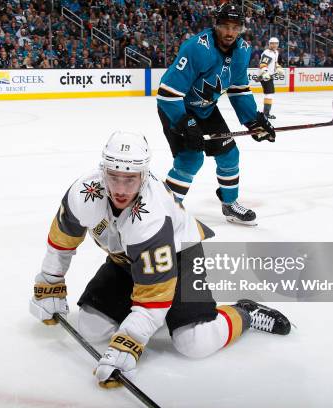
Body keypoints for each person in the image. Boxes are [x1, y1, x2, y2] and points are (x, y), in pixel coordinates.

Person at [29, 131, 291, 387]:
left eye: (130, 179)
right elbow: (62, 240)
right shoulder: (83, 192)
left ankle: (245, 311)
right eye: (114, 177)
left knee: (195, 343)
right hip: (126, 261)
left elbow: (154, 296)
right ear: (103, 171)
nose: (120, 189)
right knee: (90, 328)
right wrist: (50, 279)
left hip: (179, 258)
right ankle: (155, 317)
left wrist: (129, 340)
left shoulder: (150, 217)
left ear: (143, 176)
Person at [156, 3, 275, 226]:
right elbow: (167, 93)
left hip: (206, 109)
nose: (230, 33)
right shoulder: (197, 48)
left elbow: (239, 90)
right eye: (225, 26)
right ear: (216, 25)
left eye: (235, 27)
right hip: (177, 108)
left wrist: (253, 121)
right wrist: (185, 122)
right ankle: (163, 211)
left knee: (229, 154)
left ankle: (230, 204)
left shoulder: (243, 50)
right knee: (191, 159)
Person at [259, 37, 283, 119]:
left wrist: (278, 67)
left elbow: (275, 62)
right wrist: (265, 73)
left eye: (276, 43)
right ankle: (265, 114)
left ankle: (266, 113)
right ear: (269, 44)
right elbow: (263, 64)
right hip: (265, 76)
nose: (274, 45)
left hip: (269, 76)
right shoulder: (267, 53)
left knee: (269, 94)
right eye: (272, 43)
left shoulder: (276, 52)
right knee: (269, 94)